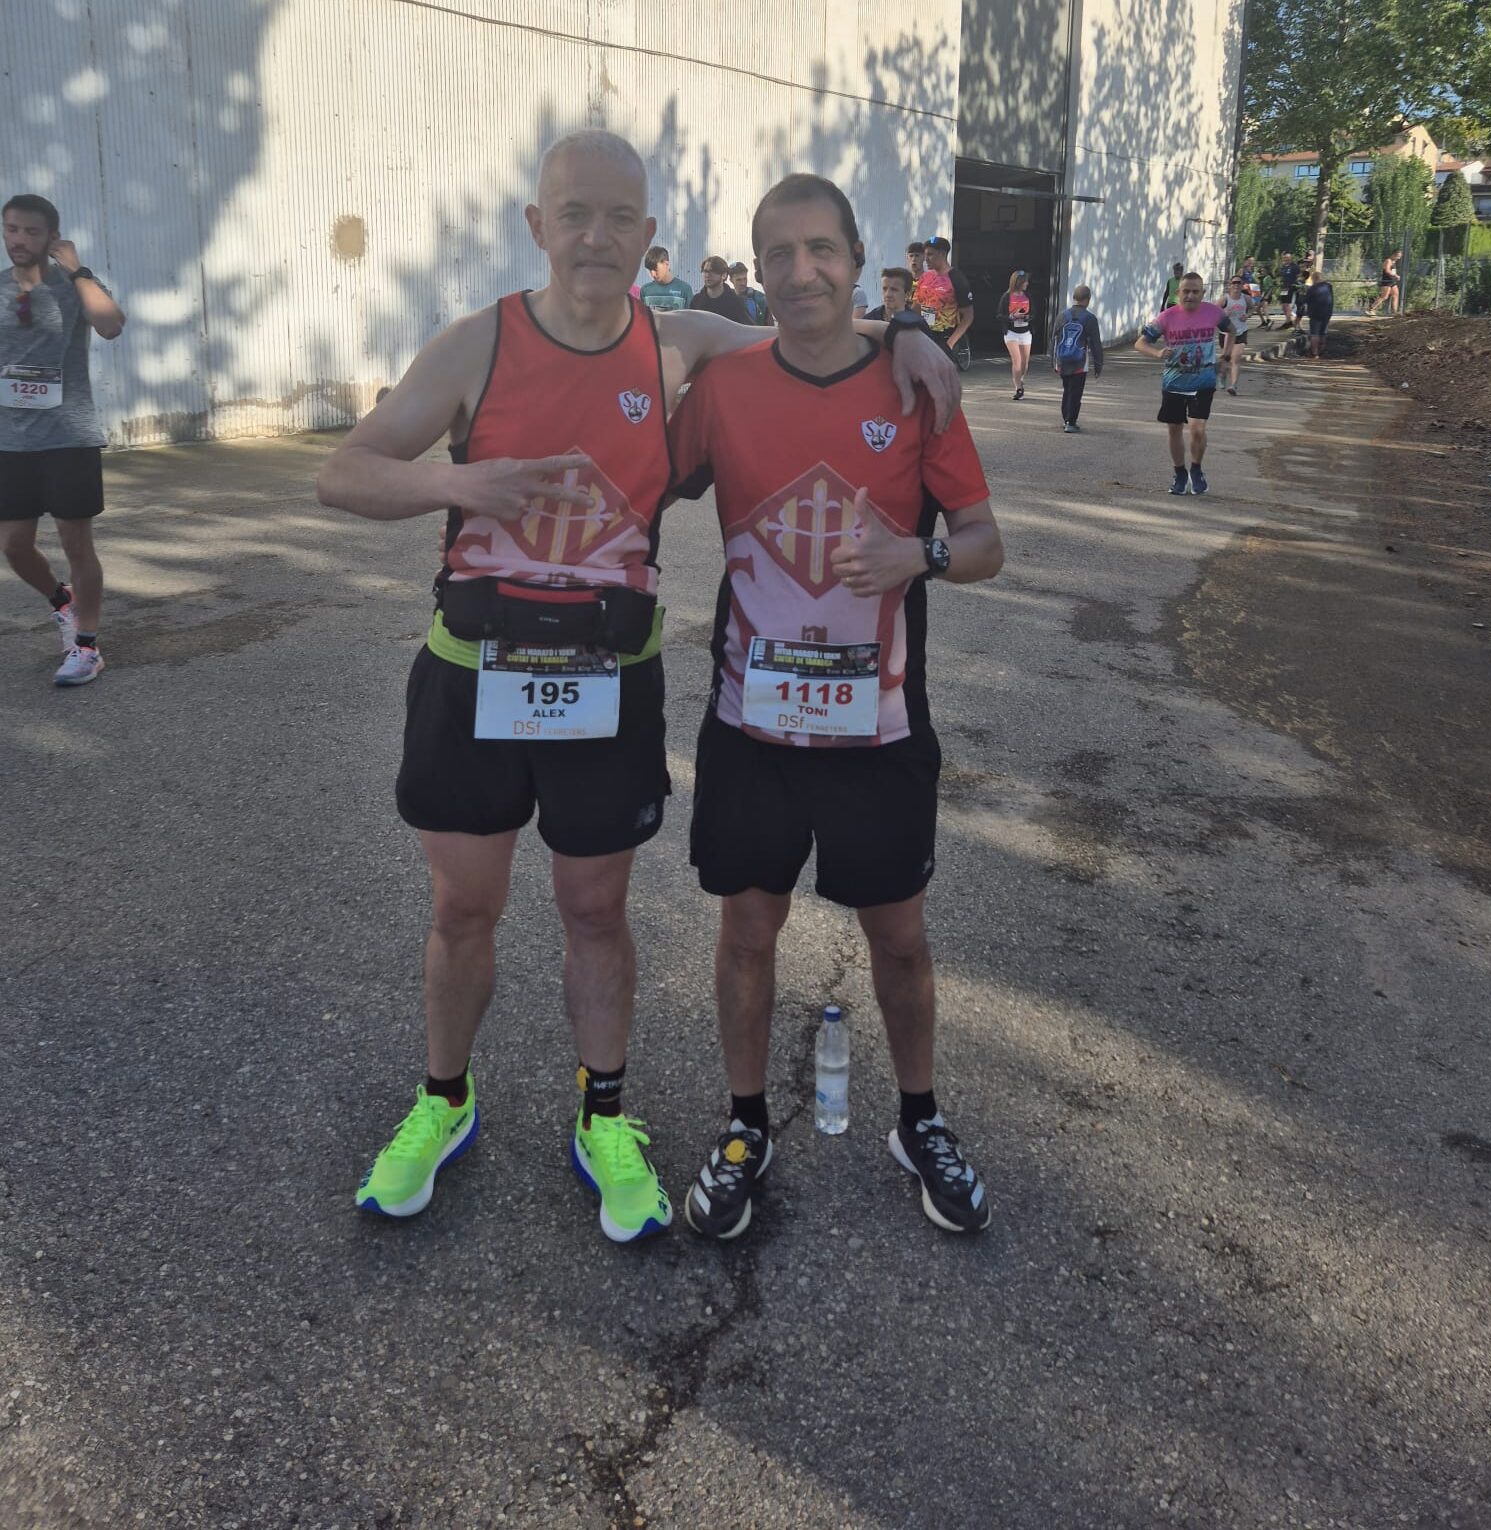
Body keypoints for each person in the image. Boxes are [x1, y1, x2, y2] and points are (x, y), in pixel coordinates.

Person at [315, 130, 958, 1241]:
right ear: (537, 225)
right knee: (463, 908)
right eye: (574, 214)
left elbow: (809, 328)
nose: (596, 237)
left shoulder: (677, 343)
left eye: (620, 218)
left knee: (594, 909)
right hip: (473, 675)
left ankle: (604, 1114)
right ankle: (443, 1101)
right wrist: (463, 482)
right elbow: (344, 472)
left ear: (649, 234)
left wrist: (906, 331)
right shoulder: (478, 343)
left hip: (605, 681)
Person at [667, 172, 1004, 1241]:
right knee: (747, 931)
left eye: (823, 249)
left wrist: (920, 554)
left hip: (879, 731)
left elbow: (986, 544)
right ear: (757, 270)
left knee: (898, 937)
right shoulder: (726, 386)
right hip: (751, 727)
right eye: (780, 252)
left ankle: (920, 1120)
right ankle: (745, 1125)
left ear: (858, 262)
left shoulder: (915, 386)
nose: (802, 270)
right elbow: (638, 476)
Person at [1, 193, 126, 687]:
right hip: (11, 440)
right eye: (12, 229)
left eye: (31, 231)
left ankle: (86, 646)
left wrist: (76, 269)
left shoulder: (77, 286)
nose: (19, 240)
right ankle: (62, 601)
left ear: (52, 236)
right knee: (14, 546)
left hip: (68, 435)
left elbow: (111, 325)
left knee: (77, 543)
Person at [1134, 270, 1233, 497]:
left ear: (1203, 293)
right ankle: (1179, 473)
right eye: (1186, 291)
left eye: (1195, 292)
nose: (1190, 296)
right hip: (1174, 383)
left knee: (1198, 429)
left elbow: (1232, 330)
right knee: (1175, 429)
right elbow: (1140, 343)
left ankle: (1196, 470)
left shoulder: (1213, 312)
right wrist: (1157, 353)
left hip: (1204, 381)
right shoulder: (1166, 317)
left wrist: (1226, 357)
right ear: (1178, 292)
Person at [1051, 283, 1103, 432]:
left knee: (1067, 389)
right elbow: (1095, 344)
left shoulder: (1062, 316)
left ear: (1074, 297)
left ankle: (1066, 419)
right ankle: (1070, 421)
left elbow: (1054, 339)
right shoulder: (1090, 318)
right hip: (1080, 361)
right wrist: (1098, 365)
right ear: (1088, 299)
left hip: (1063, 360)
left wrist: (1053, 361)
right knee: (1076, 391)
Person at [913, 236, 974, 362]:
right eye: (925, 255)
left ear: (942, 254)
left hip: (944, 338)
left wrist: (950, 343)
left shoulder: (957, 278)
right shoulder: (925, 277)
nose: (926, 259)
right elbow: (917, 306)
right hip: (923, 335)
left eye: (930, 254)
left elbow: (968, 316)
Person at [998, 269, 1033, 399]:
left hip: (1025, 332)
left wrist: (1027, 317)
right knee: (1016, 360)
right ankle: (1018, 388)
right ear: (1018, 282)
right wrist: (1012, 317)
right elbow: (999, 314)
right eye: (1025, 281)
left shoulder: (1028, 296)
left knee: (1024, 362)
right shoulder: (1006, 296)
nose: (1027, 283)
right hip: (1011, 333)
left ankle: (1020, 379)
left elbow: (1034, 313)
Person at [691, 255, 754, 323]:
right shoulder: (696, 301)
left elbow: (748, 326)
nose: (707, 275)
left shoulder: (735, 302)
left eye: (713, 271)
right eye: (705, 271)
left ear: (724, 275)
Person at [1218, 272, 1250, 394]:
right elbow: (1214, 311)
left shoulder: (1246, 298)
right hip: (1226, 333)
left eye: (1239, 283)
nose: (1236, 285)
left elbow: (1253, 308)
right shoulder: (1224, 299)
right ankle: (1222, 375)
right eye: (1234, 283)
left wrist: (1247, 315)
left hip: (1241, 331)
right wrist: (1223, 314)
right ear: (1230, 285)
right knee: (1225, 358)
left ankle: (1233, 385)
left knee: (1235, 359)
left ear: (1242, 285)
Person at [639, 245, 693, 311]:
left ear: (666, 264)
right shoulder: (645, 291)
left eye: (656, 269)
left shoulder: (685, 290)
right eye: (650, 270)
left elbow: (690, 316)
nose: (653, 274)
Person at [1305, 269, 1335, 357]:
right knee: (1323, 333)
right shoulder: (1329, 286)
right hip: (1327, 312)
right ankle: (1322, 350)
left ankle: (1314, 352)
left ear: (1314, 279)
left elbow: (1306, 299)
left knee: (1315, 333)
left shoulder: (1312, 289)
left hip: (1315, 313)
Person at [1277, 250, 1299, 328]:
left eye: (1288, 257)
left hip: (1291, 288)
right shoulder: (1283, 267)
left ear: (1291, 257)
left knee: (1288, 305)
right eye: (1285, 257)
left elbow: (1298, 277)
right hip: (1284, 288)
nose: (1286, 259)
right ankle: (1288, 321)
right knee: (1283, 306)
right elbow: (1280, 277)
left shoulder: (1294, 267)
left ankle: (1288, 322)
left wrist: (1296, 286)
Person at [1374, 251, 1401, 315]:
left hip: (1392, 281)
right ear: (1393, 255)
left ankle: (1394, 312)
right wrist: (1395, 276)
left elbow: (1392, 271)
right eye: (1397, 256)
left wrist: (1395, 277)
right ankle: (1371, 309)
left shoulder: (1393, 262)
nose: (1398, 258)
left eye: (1399, 256)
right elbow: (1387, 270)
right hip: (1387, 281)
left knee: (1395, 295)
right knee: (1384, 296)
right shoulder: (1388, 261)